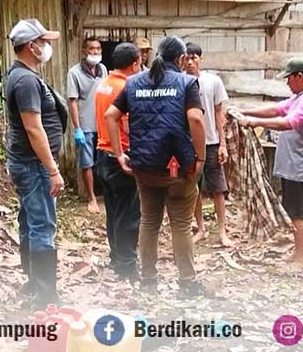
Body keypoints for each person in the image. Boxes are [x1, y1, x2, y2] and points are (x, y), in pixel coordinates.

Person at [104, 36, 209, 297]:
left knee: (149, 222)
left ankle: (149, 281)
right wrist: (201, 157)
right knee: (181, 225)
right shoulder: (187, 83)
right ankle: (187, 282)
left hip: (145, 167)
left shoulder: (134, 82)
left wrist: (119, 154)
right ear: (181, 59)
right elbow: (195, 118)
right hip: (178, 169)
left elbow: (110, 116)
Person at [238, 57, 303, 273]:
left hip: (300, 165)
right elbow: (276, 110)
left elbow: (288, 122)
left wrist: (255, 123)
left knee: (297, 213)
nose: (287, 83)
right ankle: (297, 251)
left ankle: (302, 258)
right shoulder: (298, 97)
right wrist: (246, 112)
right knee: (292, 210)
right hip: (293, 164)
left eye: (289, 78)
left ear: (299, 77)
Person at [4, 19, 65, 308]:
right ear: (31, 46)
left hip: (27, 163)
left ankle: (33, 286)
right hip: (34, 165)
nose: (47, 47)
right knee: (42, 227)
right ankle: (45, 297)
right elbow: (33, 128)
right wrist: (53, 170)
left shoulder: (20, 74)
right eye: (43, 42)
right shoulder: (26, 80)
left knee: (30, 222)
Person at [94, 43, 142, 282]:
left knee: (114, 212)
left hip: (102, 154)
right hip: (119, 155)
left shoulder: (103, 84)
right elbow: (124, 123)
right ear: (135, 63)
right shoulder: (127, 87)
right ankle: (127, 265)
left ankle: (116, 258)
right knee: (129, 214)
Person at [183, 43, 232, 246]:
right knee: (193, 187)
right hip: (188, 143)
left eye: (194, 57)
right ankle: (200, 227)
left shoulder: (213, 81)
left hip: (211, 142)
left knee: (218, 188)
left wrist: (223, 144)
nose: (190, 61)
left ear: (200, 59)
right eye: (186, 58)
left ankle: (222, 230)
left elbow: (219, 113)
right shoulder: (180, 82)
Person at [67, 36, 107, 214]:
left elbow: (107, 93)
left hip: (103, 125)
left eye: (98, 49)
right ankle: (91, 198)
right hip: (86, 126)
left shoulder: (103, 69)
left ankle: (107, 195)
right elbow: (73, 102)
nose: (95, 52)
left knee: (105, 162)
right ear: (84, 51)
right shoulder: (74, 73)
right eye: (91, 49)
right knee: (87, 163)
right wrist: (77, 128)